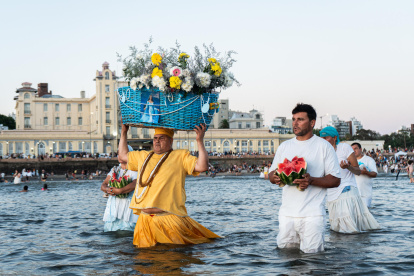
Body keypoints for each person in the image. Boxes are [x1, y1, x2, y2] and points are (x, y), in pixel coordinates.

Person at [119, 124, 221, 247]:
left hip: (169, 219)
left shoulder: (180, 156)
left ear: (171, 141)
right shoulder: (143, 156)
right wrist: (124, 132)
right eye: (155, 138)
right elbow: (122, 156)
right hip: (144, 220)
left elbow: (202, 166)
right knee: (142, 261)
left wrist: (199, 141)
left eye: (161, 138)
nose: (157, 141)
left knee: (173, 258)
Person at [269, 103, 341, 253]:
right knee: (285, 256)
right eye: (294, 119)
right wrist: (275, 178)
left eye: (300, 119)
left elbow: (335, 180)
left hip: (312, 215)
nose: (295, 123)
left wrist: (311, 180)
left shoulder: (324, 146)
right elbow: (271, 174)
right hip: (286, 214)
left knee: (312, 260)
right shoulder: (284, 146)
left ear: (312, 123)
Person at [320, 126, 380, 233]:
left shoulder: (344, 148)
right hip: (331, 195)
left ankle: (355, 249)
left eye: (326, 138)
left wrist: (348, 167)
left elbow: (357, 171)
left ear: (334, 137)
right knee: (337, 230)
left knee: (348, 229)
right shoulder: (322, 153)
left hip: (346, 191)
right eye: (321, 138)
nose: (323, 141)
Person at [101, 146, 138, 232]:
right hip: (114, 208)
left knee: (127, 231)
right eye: (118, 154)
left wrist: (120, 191)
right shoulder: (115, 169)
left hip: (128, 207)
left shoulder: (135, 169)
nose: (120, 156)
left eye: (123, 154)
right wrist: (107, 190)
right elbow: (104, 184)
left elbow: (135, 183)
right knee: (111, 232)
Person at [351, 142, 378, 208]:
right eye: (352, 149)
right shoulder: (350, 162)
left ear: (361, 149)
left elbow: (375, 174)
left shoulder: (368, 160)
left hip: (365, 194)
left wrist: (366, 172)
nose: (354, 151)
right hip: (352, 194)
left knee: (365, 215)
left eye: (356, 148)